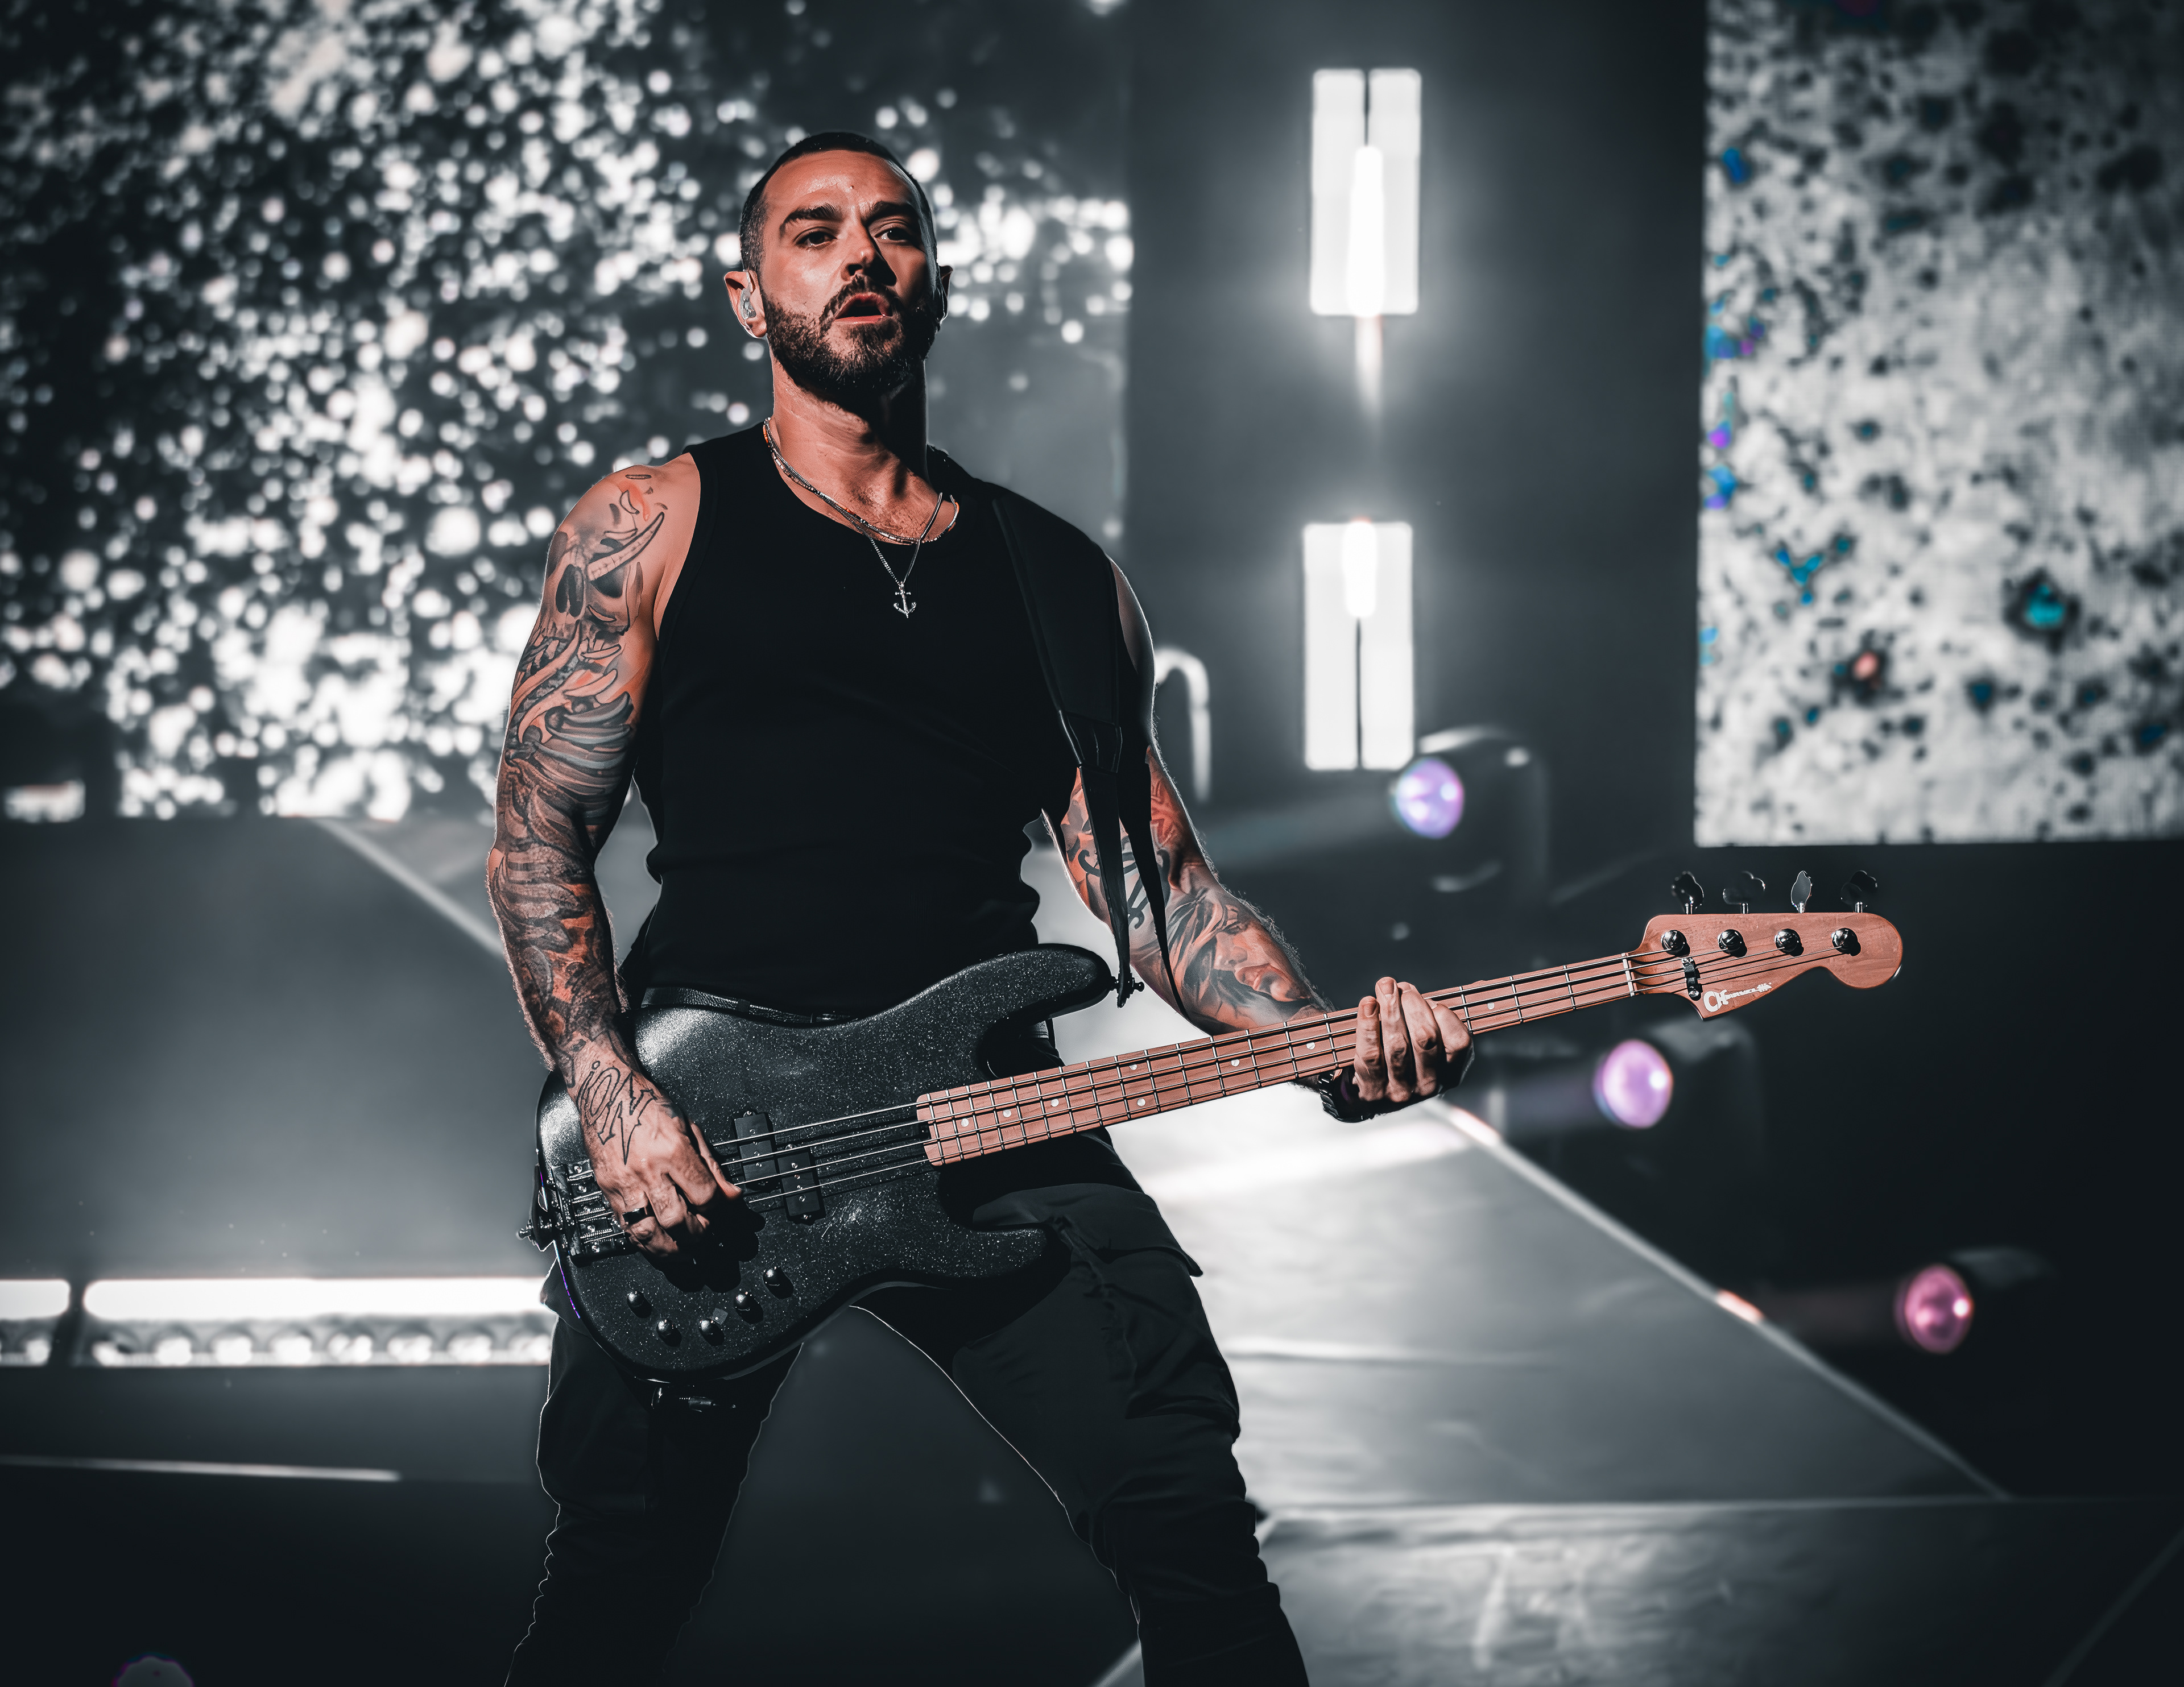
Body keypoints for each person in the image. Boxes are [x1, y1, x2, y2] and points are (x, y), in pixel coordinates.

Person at [488, 131, 1470, 1686]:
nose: (861, 256)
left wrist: (1319, 1041)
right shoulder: (653, 523)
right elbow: (539, 831)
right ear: (749, 294)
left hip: (991, 1112)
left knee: (1188, 1521)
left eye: (895, 229)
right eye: (816, 232)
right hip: (719, 1121)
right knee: (616, 1586)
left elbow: (1157, 893)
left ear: (935, 281)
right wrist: (612, 1097)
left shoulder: (1058, 577)